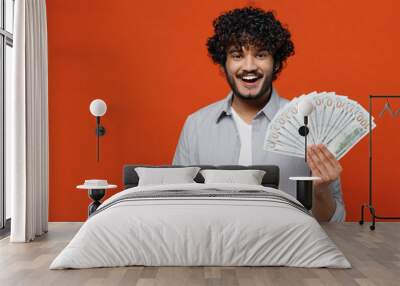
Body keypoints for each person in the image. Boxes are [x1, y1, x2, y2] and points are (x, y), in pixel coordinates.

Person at [173, 7, 345, 222]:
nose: (249, 66)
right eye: (237, 55)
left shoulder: (311, 125)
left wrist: (321, 192)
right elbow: (177, 206)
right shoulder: (196, 126)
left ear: (276, 62)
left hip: (286, 251)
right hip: (214, 250)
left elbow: (335, 221)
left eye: (261, 55)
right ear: (223, 63)